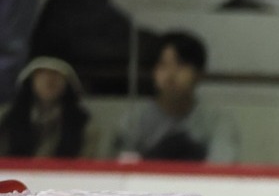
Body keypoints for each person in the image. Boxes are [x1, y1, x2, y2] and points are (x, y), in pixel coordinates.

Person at [112, 31, 239, 163]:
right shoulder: (132, 122)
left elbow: (221, 171)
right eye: (162, 65)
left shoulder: (218, 122)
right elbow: (123, 173)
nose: (171, 75)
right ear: (152, 72)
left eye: (181, 65)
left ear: (199, 74)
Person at [1, 56, 95, 158]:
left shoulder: (85, 124)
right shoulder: (6, 117)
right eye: (41, 74)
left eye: (56, 74)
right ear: (30, 81)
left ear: (68, 84)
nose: (49, 80)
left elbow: (86, 162)